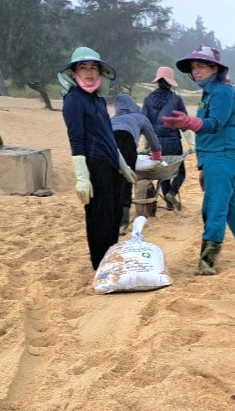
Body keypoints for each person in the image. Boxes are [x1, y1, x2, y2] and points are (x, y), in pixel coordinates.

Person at [162, 45, 235, 275]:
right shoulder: (211, 91)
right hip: (216, 157)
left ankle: (207, 264)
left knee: (213, 208)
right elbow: (206, 135)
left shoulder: (223, 92)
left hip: (225, 155)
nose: (196, 72)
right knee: (232, 207)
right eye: (194, 68)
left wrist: (187, 123)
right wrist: (203, 166)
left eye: (201, 66)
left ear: (215, 68)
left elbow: (214, 125)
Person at [58, 47, 137, 269]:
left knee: (113, 216)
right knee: (99, 218)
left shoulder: (98, 101)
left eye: (93, 67)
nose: (89, 72)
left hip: (110, 165)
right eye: (83, 68)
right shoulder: (74, 100)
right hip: (93, 164)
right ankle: (100, 266)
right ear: (74, 73)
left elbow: (108, 136)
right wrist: (82, 177)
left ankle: (110, 261)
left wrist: (122, 165)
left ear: (100, 73)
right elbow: (76, 139)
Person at [111, 92, 164, 233]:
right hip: (126, 141)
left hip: (107, 143)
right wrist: (157, 157)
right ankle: (122, 223)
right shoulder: (139, 117)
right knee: (126, 180)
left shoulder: (111, 119)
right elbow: (152, 140)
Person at [141, 66, 189, 211]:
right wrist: (191, 143)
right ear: (170, 83)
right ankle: (172, 193)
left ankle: (169, 204)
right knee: (180, 172)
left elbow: (144, 123)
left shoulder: (148, 99)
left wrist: (146, 145)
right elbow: (184, 122)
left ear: (157, 82)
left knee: (163, 172)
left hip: (155, 143)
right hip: (173, 142)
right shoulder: (176, 99)